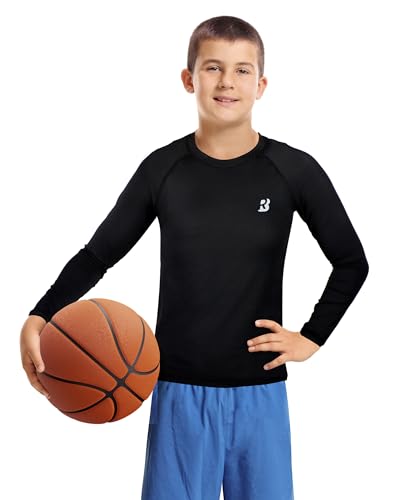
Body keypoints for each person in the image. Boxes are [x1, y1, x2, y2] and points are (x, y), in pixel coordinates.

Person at [20, 15, 369, 500]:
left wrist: (312, 337)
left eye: (242, 70)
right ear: (189, 79)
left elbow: (351, 262)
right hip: (178, 392)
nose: (227, 81)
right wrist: (39, 315)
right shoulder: (163, 169)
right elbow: (97, 255)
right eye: (213, 67)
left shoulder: (293, 170)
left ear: (261, 85)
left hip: (260, 393)